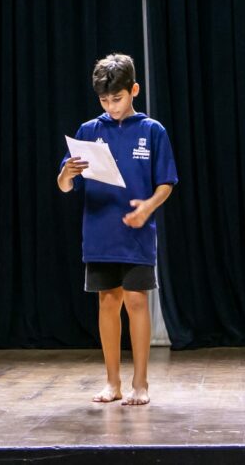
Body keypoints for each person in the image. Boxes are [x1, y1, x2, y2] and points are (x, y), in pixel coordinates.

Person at [58, 53, 178, 406]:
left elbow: (166, 182)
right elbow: (65, 185)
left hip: (137, 233)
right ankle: (113, 383)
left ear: (133, 90)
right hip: (100, 232)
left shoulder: (152, 130)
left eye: (117, 98)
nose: (111, 106)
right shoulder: (89, 131)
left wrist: (148, 207)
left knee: (136, 301)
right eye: (104, 100)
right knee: (107, 302)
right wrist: (66, 174)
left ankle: (141, 384)